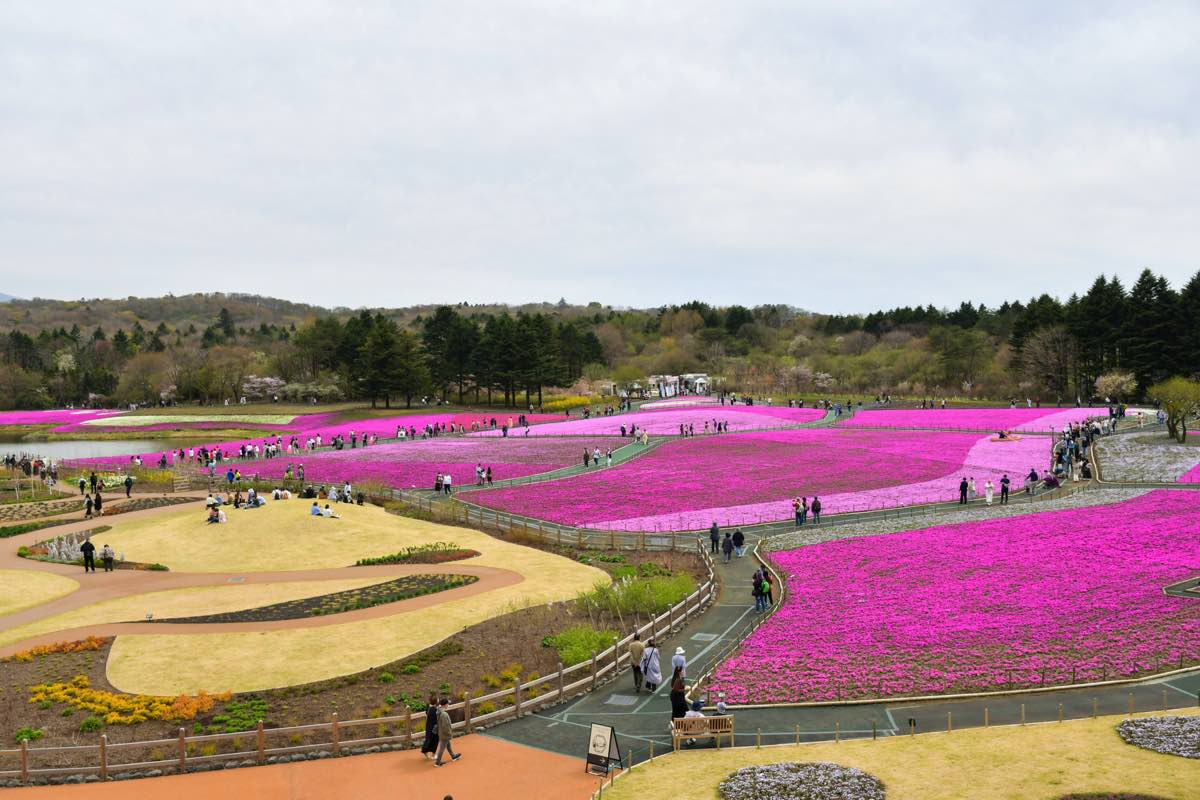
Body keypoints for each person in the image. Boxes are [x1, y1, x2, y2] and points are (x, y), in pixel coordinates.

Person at [433, 697, 461, 766]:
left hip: (441, 732)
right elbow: (446, 726)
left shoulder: (439, 712)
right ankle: (438, 762)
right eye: (448, 703)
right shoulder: (444, 714)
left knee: (448, 745)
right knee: (442, 748)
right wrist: (449, 733)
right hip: (444, 733)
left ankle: (453, 755)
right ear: (445, 705)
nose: (448, 705)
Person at [420, 693, 439, 759]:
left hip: (428, 726)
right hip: (434, 727)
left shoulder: (428, 708)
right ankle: (433, 755)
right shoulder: (435, 710)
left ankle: (425, 751)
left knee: (428, 739)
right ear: (436, 701)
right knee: (435, 740)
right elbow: (437, 719)